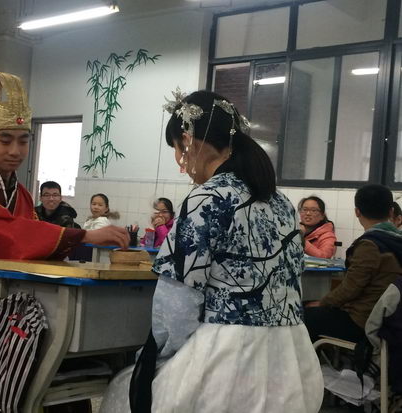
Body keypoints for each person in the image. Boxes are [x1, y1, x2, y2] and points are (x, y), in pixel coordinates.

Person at [100, 90, 323, 413]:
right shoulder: (282, 203)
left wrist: (161, 355)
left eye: (177, 150)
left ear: (187, 140)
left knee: (124, 391)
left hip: (227, 364)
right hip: (292, 362)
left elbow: (177, 303)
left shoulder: (206, 198)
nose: (180, 161)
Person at [0, 72, 129, 412]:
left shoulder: (19, 192)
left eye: (23, 141)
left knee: (55, 349)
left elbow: (29, 240)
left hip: (3, 295)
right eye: (5, 140)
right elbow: (1, 235)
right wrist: (83, 235)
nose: (16, 151)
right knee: (25, 351)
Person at [305, 184, 402, 344]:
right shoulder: (395, 240)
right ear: (391, 211)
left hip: (363, 323)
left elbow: (349, 289)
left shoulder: (369, 245)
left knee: (303, 316)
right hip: (390, 320)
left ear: (357, 211)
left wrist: (322, 302)